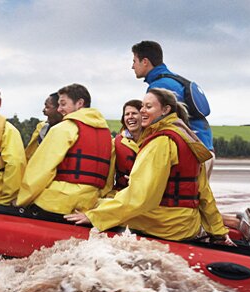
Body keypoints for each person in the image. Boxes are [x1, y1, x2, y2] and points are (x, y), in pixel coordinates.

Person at [65, 88, 230, 243]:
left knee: (94, 204)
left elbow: (140, 196)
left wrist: (94, 216)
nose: (142, 110)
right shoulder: (186, 139)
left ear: (165, 110)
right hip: (187, 223)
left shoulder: (161, 142)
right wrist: (218, 232)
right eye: (142, 106)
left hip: (166, 224)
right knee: (107, 203)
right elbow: (205, 194)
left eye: (148, 107)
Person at [15, 83, 115, 215]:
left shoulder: (63, 129)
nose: (59, 109)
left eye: (63, 104)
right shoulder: (107, 136)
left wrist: (21, 200)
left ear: (79, 103)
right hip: (88, 203)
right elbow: (108, 178)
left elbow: (41, 170)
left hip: (56, 202)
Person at [131, 40, 215, 178]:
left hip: (193, 152)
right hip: (205, 146)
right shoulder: (175, 80)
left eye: (134, 61)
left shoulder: (160, 86)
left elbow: (159, 124)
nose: (132, 66)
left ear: (145, 61)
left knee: (179, 190)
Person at [111, 99, 143, 193]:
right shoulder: (115, 143)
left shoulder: (154, 141)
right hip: (121, 193)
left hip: (148, 194)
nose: (130, 117)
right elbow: (109, 176)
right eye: (127, 114)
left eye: (134, 113)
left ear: (143, 116)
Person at [24, 92, 63, 159]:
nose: (43, 110)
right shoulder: (42, 129)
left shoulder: (74, 132)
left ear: (60, 109)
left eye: (47, 107)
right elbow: (29, 156)